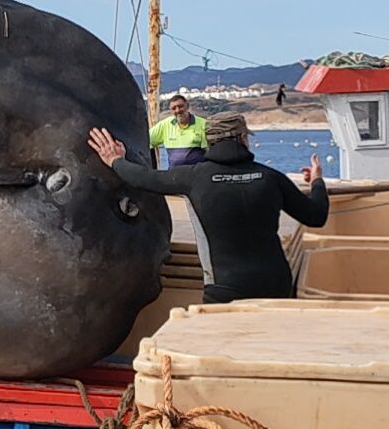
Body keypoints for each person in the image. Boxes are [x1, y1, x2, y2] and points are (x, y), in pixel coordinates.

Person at [88, 110, 329, 303]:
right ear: (243, 139)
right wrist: (317, 181)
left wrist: (115, 160)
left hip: (225, 288)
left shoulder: (194, 177)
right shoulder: (271, 178)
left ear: (209, 142)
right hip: (275, 284)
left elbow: (143, 178)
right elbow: (316, 216)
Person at [149, 92, 207, 167]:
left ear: (187, 106)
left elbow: (210, 152)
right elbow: (145, 141)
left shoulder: (203, 124)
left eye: (180, 106)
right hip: (174, 176)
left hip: (196, 175)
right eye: (174, 108)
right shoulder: (165, 125)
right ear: (170, 111)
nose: (178, 110)